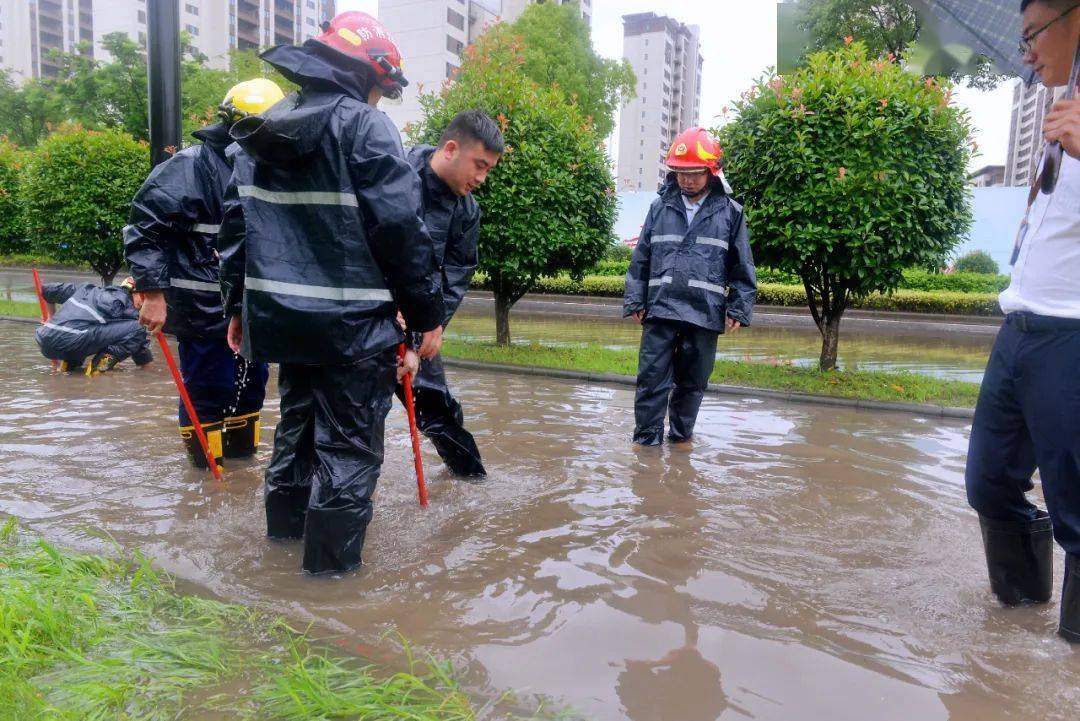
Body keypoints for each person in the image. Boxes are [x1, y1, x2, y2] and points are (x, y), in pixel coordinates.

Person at [218, 11, 445, 575]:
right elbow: (400, 231)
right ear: (371, 75)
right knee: (346, 453)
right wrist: (426, 318)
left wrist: (237, 308)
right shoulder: (365, 128)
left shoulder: (261, 130)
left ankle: (280, 558)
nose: (381, 100)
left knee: (294, 438)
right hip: (351, 330)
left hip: (284, 325)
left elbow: (236, 227)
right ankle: (327, 590)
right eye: (382, 89)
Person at [966, 0, 1080, 641]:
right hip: (1021, 332)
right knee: (987, 482)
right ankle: (1014, 627)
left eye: (1033, 33)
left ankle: (1071, 664)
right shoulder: (1063, 108)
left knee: (1079, 510)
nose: (1026, 51)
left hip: (1074, 337)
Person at [124, 79, 285, 470]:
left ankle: (241, 468)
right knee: (207, 392)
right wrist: (153, 293)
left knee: (250, 391)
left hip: (252, 313)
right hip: (201, 311)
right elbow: (144, 228)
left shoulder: (269, 169)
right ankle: (204, 477)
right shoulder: (191, 167)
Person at [622, 127, 756, 446]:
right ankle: (646, 448)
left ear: (711, 172)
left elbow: (742, 263)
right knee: (651, 381)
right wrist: (635, 300)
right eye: (680, 173)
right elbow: (642, 257)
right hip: (660, 307)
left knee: (692, 384)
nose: (687, 181)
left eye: (694, 173)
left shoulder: (731, 213)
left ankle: (681, 441)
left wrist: (739, 306)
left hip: (703, 312)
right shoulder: (659, 207)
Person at [397, 110, 504, 478]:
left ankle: (471, 485)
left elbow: (455, 274)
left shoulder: (467, 210)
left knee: (438, 410)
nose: (481, 178)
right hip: (367, 320)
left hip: (421, 321)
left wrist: (430, 328)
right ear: (451, 148)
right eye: (479, 165)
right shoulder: (393, 176)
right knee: (351, 423)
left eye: (489, 169)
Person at [34, 277, 153, 374]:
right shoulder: (126, 306)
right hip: (73, 341)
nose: (144, 304)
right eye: (146, 298)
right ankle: (96, 370)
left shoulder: (86, 290)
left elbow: (47, 289)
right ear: (135, 293)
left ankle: (67, 369)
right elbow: (137, 339)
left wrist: (50, 317)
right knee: (138, 327)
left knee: (86, 329)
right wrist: (149, 372)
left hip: (45, 339)